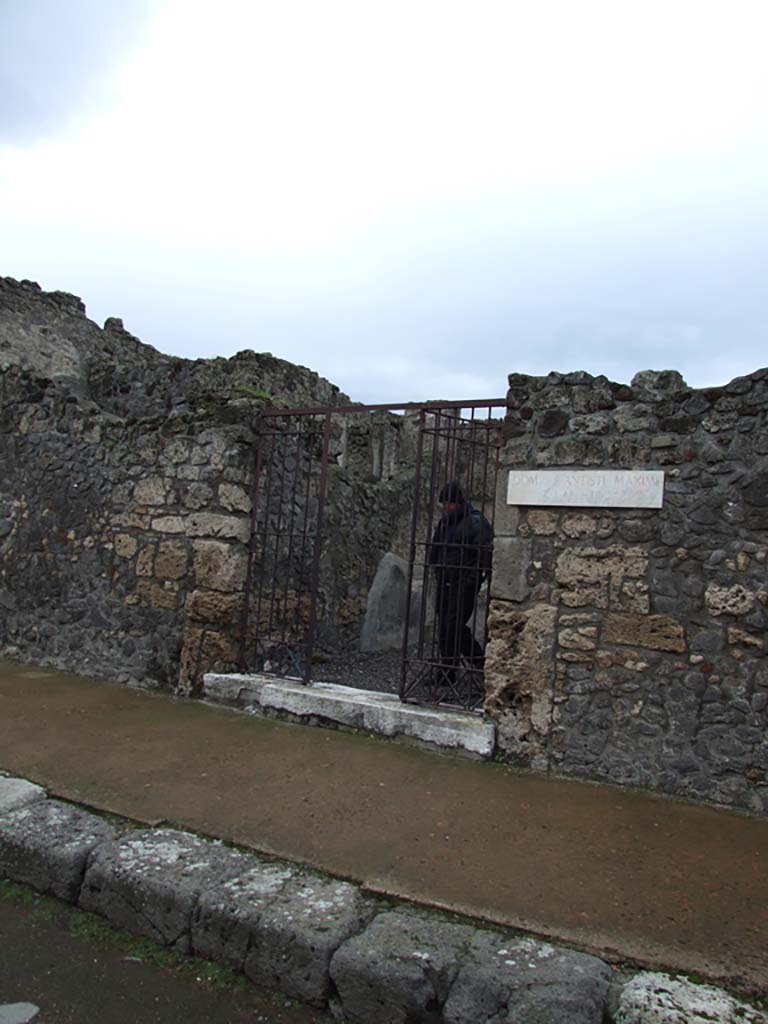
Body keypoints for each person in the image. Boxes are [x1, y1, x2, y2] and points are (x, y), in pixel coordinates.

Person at [427, 481, 493, 688]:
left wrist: (474, 580)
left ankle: (475, 664)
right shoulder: (446, 523)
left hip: (463, 584)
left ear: (457, 502)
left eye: (448, 503)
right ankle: (449, 671)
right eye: (443, 503)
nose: (445, 507)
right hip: (445, 581)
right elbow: (438, 549)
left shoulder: (475, 522)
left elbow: (485, 552)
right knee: (446, 628)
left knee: (454, 627)